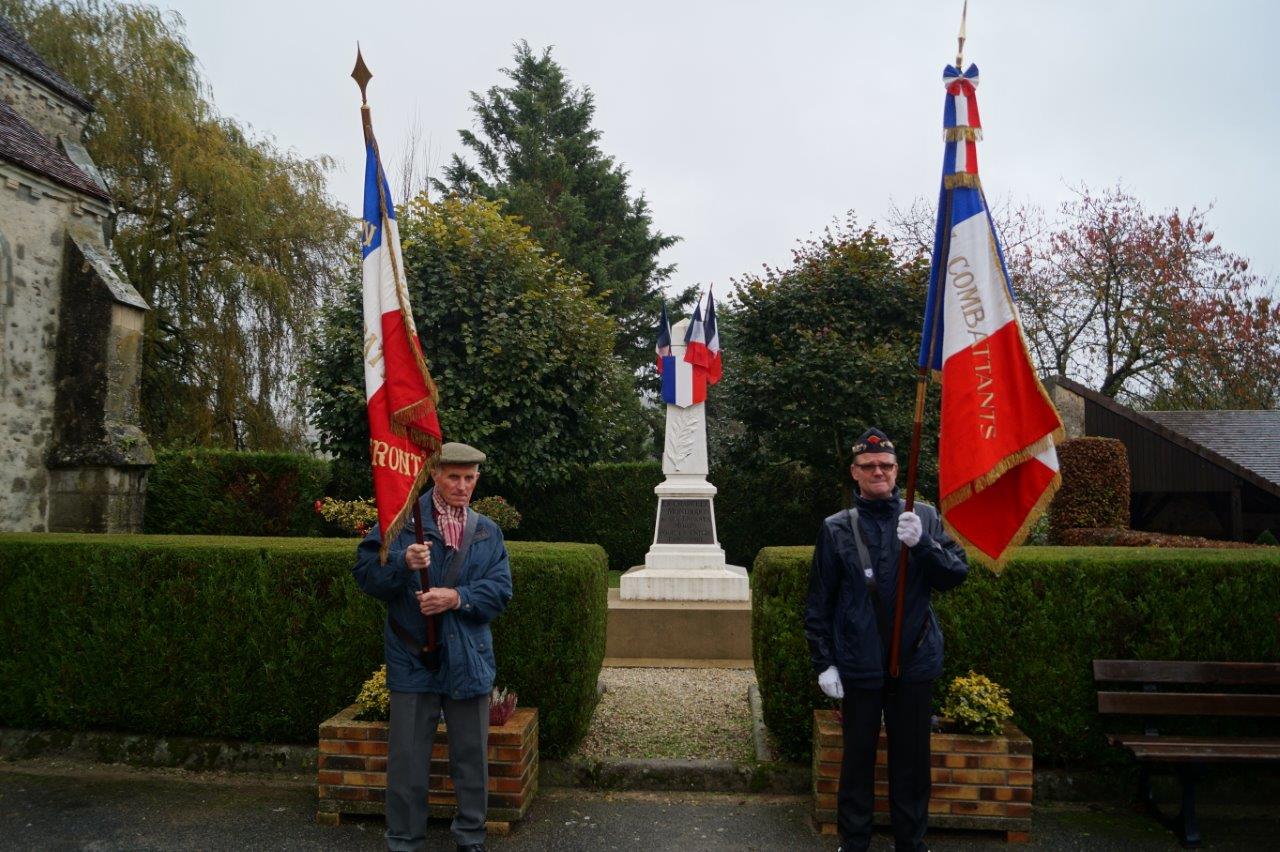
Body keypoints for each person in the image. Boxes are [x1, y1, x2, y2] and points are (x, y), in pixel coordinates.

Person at [804, 427, 969, 852]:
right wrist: (824, 662)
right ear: (855, 473)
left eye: (887, 465)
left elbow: (956, 575)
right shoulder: (836, 527)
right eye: (869, 466)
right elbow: (819, 602)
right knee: (857, 759)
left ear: (898, 471)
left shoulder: (926, 518)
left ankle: (911, 843)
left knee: (911, 763)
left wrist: (926, 545)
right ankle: (854, 842)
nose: (879, 471)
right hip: (859, 662)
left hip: (914, 662)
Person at [353, 441, 513, 852]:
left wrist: (456, 598)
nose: (462, 486)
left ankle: (471, 836)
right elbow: (367, 576)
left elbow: (500, 590)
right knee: (407, 759)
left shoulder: (486, 530)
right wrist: (401, 562)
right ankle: (404, 840)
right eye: (454, 477)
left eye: (470, 478)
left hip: (469, 656)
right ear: (435, 476)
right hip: (412, 656)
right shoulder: (402, 522)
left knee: (471, 756)